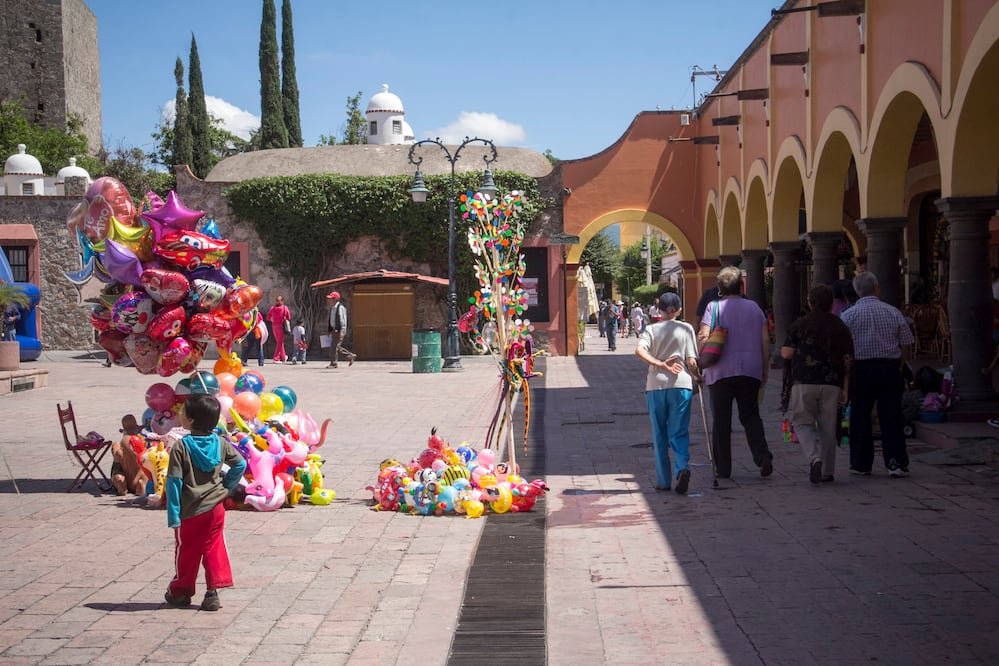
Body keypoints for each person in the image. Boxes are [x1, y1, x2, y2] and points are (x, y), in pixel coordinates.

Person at [163, 394, 246, 612]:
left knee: (187, 551)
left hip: (189, 511)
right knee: (213, 548)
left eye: (183, 412)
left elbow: (173, 483)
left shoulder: (181, 447)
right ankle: (212, 593)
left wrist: (173, 513)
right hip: (216, 508)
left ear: (190, 421)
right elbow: (240, 464)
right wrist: (226, 488)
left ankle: (180, 591)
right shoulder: (220, 443)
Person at [697, 266, 774, 479]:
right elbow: (765, 341)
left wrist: (703, 347)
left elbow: (702, 337)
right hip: (750, 369)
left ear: (720, 287)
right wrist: (764, 368)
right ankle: (762, 455)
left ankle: (723, 468)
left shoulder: (713, 308)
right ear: (741, 286)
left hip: (720, 370)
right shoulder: (755, 308)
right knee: (750, 415)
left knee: (721, 419)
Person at [840, 272, 915, 478]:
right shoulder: (893, 312)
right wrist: (899, 365)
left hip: (861, 369)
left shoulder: (848, 315)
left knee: (860, 416)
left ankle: (861, 463)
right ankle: (896, 462)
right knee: (891, 416)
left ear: (857, 291)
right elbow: (906, 343)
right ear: (877, 288)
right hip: (889, 367)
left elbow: (844, 348)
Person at [780, 284, 854, 484]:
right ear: (831, 303)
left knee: (802, 422)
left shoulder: (800, 325)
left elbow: (786, 353)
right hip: (832, 383)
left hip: (804, 381)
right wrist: (846, 387)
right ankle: (828, 472)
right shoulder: (839, 326)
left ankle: (814, 458)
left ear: (810, 303)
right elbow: (847, 359)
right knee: (828, 428)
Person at [635, 292, 700, 494]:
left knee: (659, 434)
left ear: (659, 310)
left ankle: (663, 480)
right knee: (679, 431)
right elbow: (691, 361)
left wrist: (659, 364)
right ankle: (682, 468)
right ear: (679, 310)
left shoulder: (652, 330)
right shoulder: (686, 328)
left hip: (656, 385)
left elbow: (639, 351)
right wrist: (698, 376)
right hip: (681, 384)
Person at [111, 414, 150, 497]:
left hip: (125, 477)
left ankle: (120, 483)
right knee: (145, 473)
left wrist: (116, 450)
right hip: (138, 475)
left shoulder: (119, 445)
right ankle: (141, 484)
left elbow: (116, 456)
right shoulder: (141, 443)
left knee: (117, 475)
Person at [327, 291, 355, 368]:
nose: (329, 300)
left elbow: (343, 320)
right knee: (335, 347)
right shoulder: (332, 308)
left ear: (335, 299)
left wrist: (342, 331)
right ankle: (350, 356)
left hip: (339, 331)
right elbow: (331, 320)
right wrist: (329, 330)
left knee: (335, 347)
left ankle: (334, 363)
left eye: (331, 299)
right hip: (334, 330)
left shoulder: (340, 308)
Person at [266, 295, 291, 364]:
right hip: (281, 326)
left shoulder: (272, 308)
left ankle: (283, 357)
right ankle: (276, 358)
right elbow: (288, 317)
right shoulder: (284, 308)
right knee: (279, 342)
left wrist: (272, 319)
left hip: (274, 326)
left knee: (279, 342)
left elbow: (268, 317)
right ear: (282, 301)